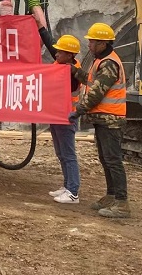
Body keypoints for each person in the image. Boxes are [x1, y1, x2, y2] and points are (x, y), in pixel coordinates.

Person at [70, 22, 131, 219]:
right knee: (106, 159)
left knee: (113, 160)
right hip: (103, 118)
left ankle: (122, 203)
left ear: (102, 43)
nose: (89, 45)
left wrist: (79, 110)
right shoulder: (101, 61)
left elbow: (97, 91)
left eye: (92, 42)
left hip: (111, 119)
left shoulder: (109, 64)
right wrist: (74, 71)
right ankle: (112, 195)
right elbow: (90, 81)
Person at [48, 34, 85, 205]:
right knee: (61, 153)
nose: (56, 54)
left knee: (68, 155)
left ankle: (73, 192)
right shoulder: (63, 66)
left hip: (66, 116)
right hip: (56, 115)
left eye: (60, 52)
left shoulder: (71, 72)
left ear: (70, 55)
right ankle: (67, 186)